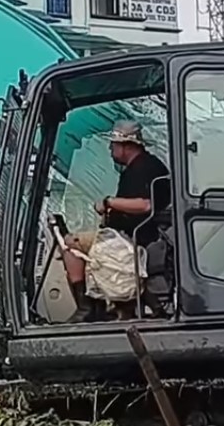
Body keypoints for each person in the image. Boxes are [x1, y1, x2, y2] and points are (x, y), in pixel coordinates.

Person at [62, 120, 172, 323]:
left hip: (132, 238)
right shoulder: (143, 167)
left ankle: (86, 308)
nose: (110, 149)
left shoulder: (144, 168)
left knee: (70, 244)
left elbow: (145, 205)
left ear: (126, 145)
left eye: (113, 144)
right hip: (129, 234)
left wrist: (109, 202)